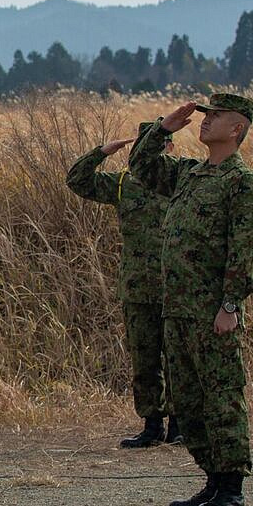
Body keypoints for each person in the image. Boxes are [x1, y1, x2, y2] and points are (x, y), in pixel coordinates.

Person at [130, 93, 253, 506]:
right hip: (178, 309)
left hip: (211, 311)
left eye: (216, 117)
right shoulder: (190, 175)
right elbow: (142, 166)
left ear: (237, 128)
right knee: (188, 401)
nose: (205, 123)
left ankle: (232, 486)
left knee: (222, 396)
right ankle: (211, 478)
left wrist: (230, 304)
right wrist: (164, 128)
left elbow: (242, 250)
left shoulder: (241, 182)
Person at [67, 122, 180, 448]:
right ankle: (152, 424)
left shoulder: (181, 182)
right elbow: (77, 181)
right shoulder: (123, 185)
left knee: (177, 360)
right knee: (144, 360)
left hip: (178, 287)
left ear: (169, 148)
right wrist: (102, 152)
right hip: (137, 287)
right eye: (142, 146)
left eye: (157, 145)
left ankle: (180, 424)